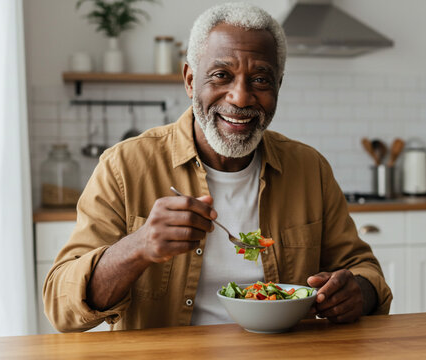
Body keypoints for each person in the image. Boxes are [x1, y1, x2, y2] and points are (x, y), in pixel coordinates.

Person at [43, 2, 392, 332]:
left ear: (278, 87)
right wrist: (138, 247)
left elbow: (366, 271)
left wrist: (357, 293)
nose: (240, 98)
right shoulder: (124, 166)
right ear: (190, 80)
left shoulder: (309, 169)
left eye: (260, 80)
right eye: (221, 75)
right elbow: (61, 306)